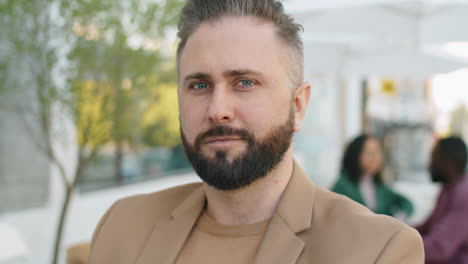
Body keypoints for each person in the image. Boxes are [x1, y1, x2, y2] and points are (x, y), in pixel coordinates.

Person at [88, 1, 424, 263]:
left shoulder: (377, 251)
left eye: (245, 82)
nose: (218, 108)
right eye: (200, 84)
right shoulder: (123, 226)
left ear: (298, 105)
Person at [332, 134, 414, 219]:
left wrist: (400, 216)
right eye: (369, 153)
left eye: (378, 152)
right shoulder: (342, 186)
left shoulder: (378, 187)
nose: (376, 158)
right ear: (355, 155)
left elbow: (407, 203)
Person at [416, 136, 468, 264]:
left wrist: (398, 247)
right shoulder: (448, 189)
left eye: (434, 158)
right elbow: (426, 227)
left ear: (448, 163)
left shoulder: (464, 195)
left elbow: (439, 248)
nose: (430, 164)